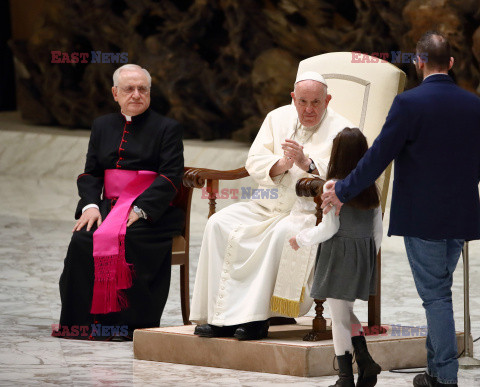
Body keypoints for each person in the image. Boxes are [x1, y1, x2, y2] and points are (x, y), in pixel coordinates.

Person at [321, 32, 480, 387]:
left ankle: (445, 379)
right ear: (451, 63)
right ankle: (435, 372)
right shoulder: (474, 105)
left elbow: (378, 156)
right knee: (439, 291)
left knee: (436, 296)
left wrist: (344, 190)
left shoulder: (409, 104)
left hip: (423, 217)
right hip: (461, 215)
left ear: (418, 62)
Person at [190, 71, 353, 340]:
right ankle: (221, 319)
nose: (308, 109)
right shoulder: (276, 118)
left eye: (315, 102)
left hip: (306, 210)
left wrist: (307, 164)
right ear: (293, 98)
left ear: (328, 100)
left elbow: (346, 173)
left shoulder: (342, 129)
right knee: (218, 223)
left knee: (282, 235)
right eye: (302, 102)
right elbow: (254, 160)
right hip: (265, 204)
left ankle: (256, 320)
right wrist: (282, 164)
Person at [54, 64, 184, 341]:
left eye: (143, 89)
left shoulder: (168, 127)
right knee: (82, 239)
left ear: (149, 93)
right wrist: (90, 205)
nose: (136, 94)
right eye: (129, 89)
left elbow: (170, 176)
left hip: (151, 210)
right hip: (108, 205)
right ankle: (82, 323)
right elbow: (90, 173)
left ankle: (127, 325)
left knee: (129, 239)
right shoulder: (102, 125)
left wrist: (141, 209)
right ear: (115, 93)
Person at [289, 127, 382, 387]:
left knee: (339, 319)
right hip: (362, 254)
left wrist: (301, 238)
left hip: (339, 256)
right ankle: (365, 362)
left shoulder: (333, 186)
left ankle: (344, 377)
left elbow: (329, 228)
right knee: (346, 313)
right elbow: (377, 231)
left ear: (337, 155)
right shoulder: (372, 187)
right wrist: (367, 258)